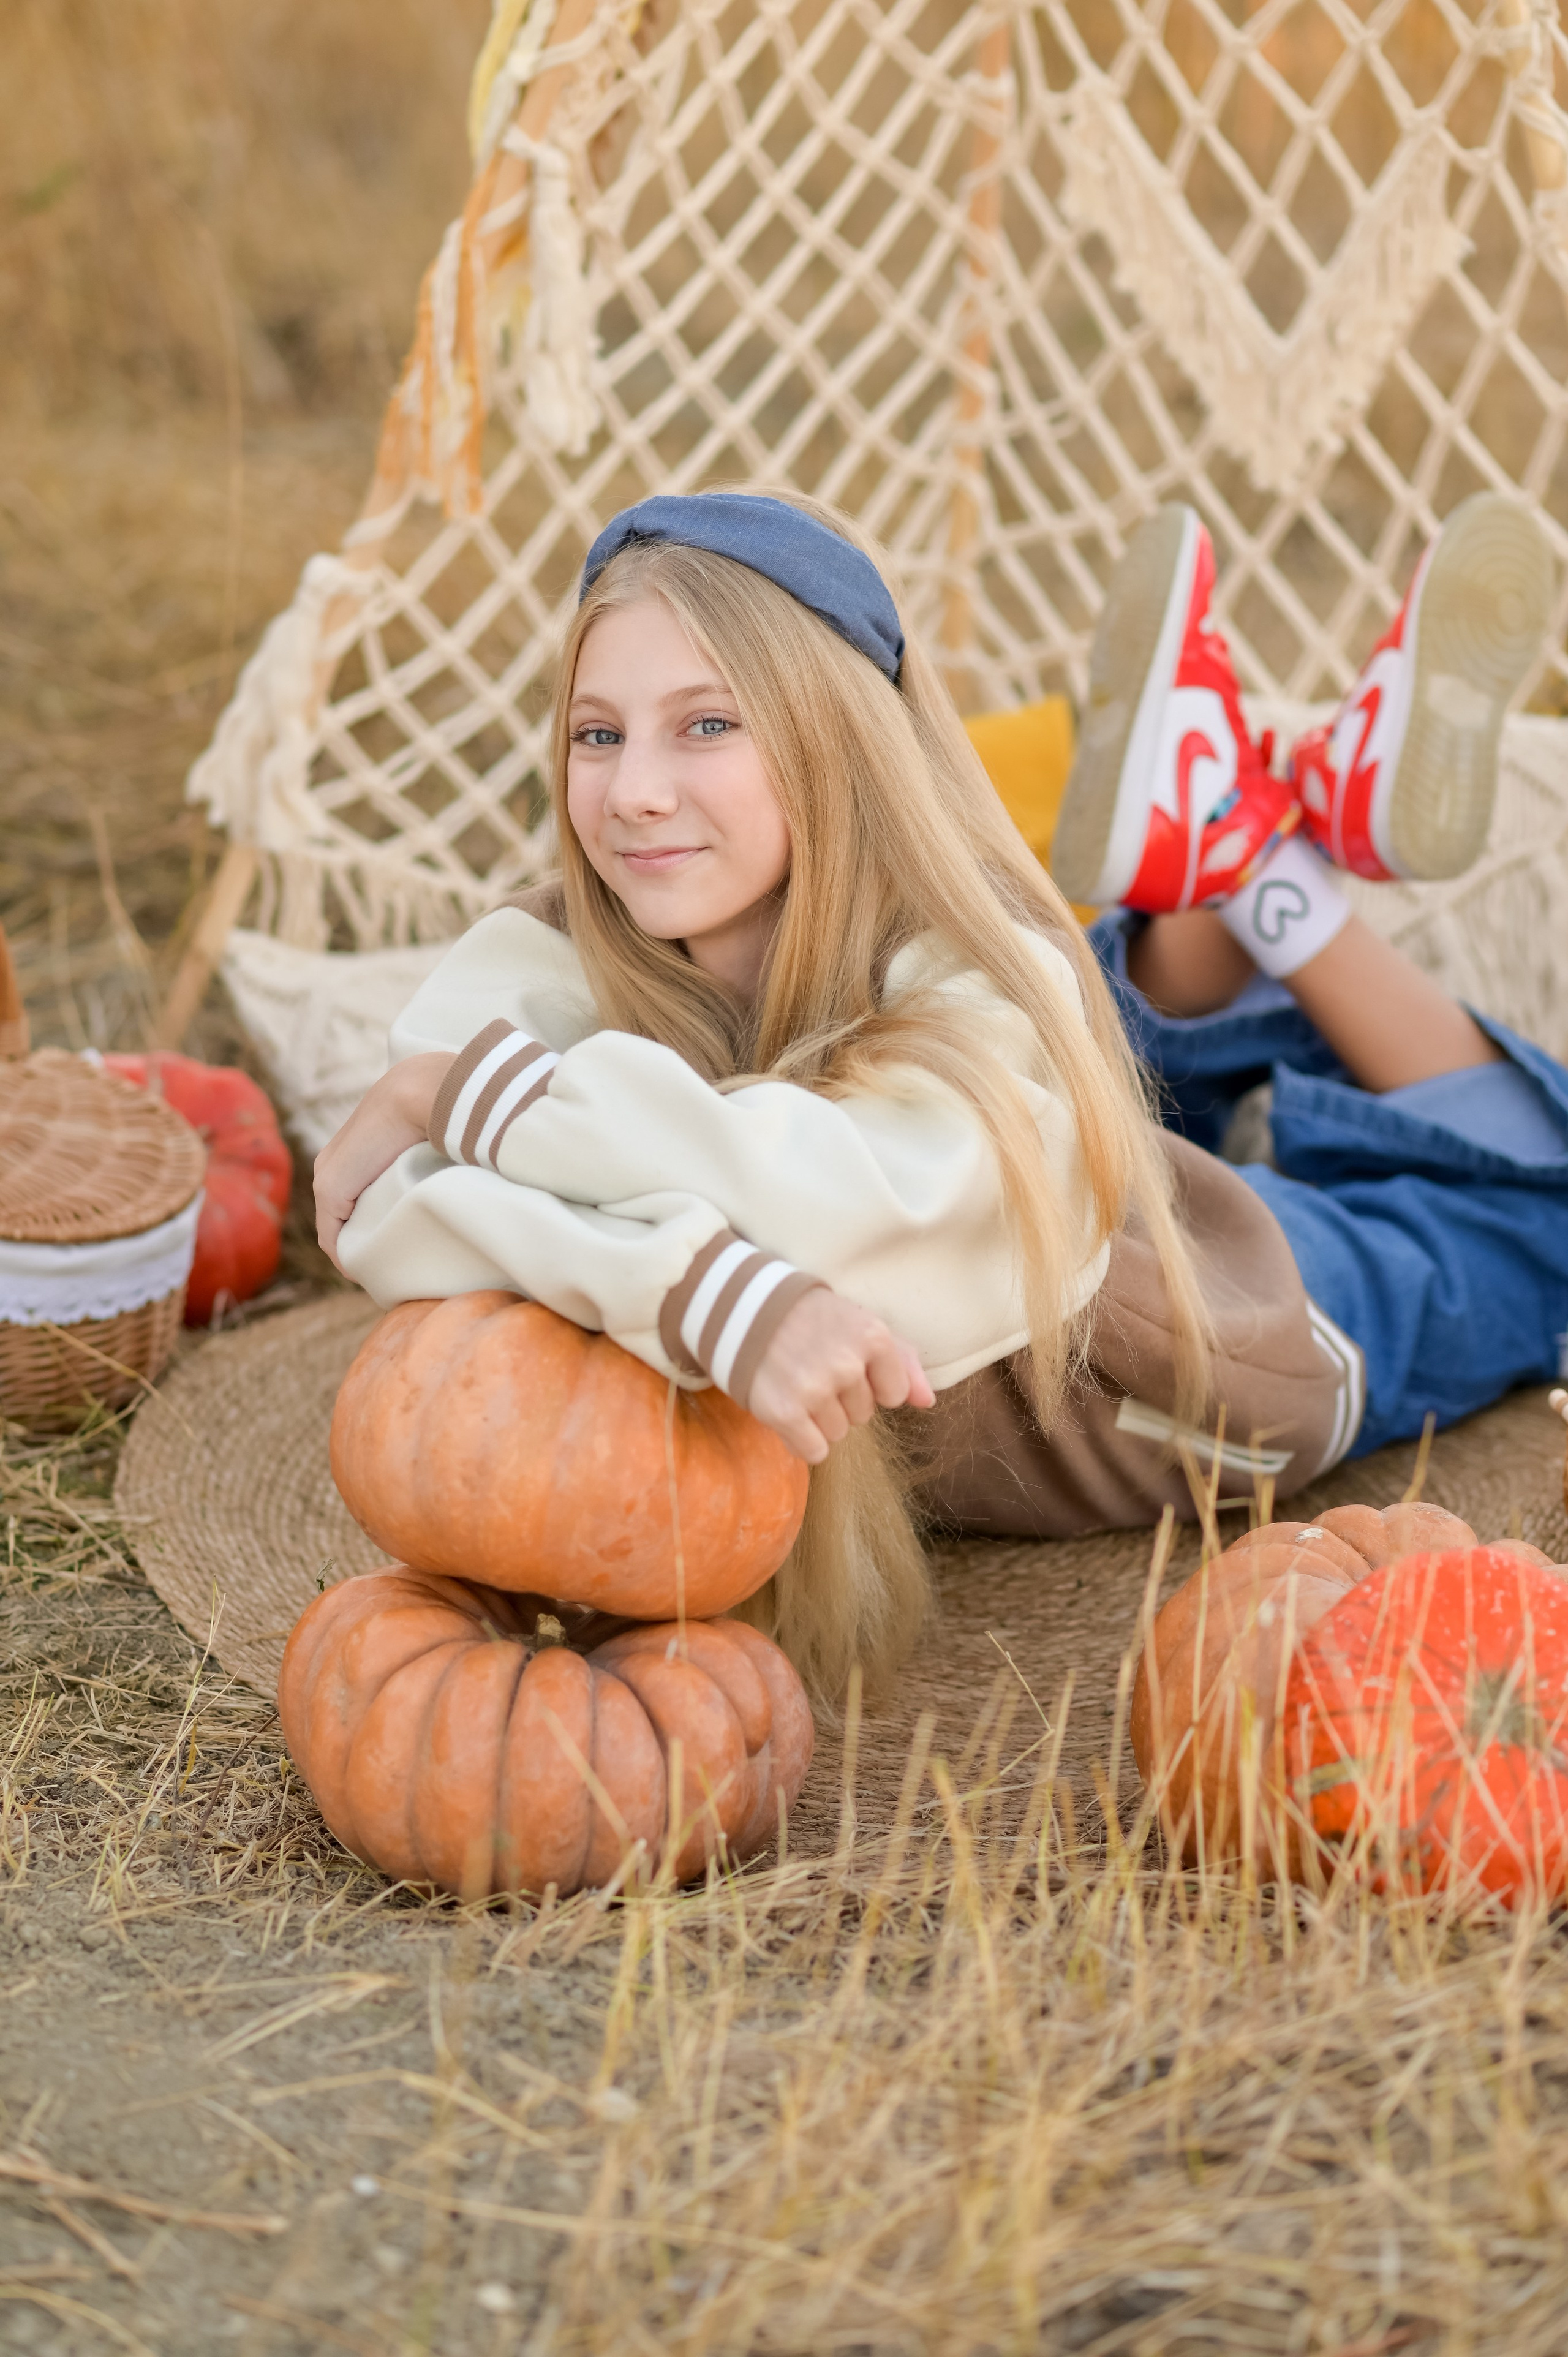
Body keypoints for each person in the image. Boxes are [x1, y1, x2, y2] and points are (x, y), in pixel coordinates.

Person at [315, 488, 1568, 1699]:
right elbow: (383, 1207)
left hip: (1187, 1346)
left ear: (833, 738)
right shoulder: (552, 957)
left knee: (1534, 1208)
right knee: (1117, 1043)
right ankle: (1245, 819)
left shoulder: (978, 967)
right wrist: (702, 1288)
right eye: (598, 733)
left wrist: (469, 1109)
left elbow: (840, 1207)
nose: (634, 788)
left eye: (706, 725)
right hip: (1056, 1125)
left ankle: (1259, 875)